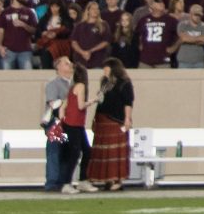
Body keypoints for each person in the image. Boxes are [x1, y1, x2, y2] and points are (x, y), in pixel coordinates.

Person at [42, 54, 89, 193]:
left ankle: (63, 181)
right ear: (58, 67)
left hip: (69, 122)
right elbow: (52, 103)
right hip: (56, 122)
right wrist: (68, 103)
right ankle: (52, 183)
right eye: (66, 63)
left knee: (67, 152)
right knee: (55, 151)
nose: (70, 65)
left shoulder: (74, 84)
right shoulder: (53, 83)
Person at [87, 58, 136, 192]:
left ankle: (117, 179)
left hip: (115, 119)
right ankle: (107, 179)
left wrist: (127, 119)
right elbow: (101, 99)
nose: (104, 71)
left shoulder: (124, 83)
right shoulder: (104, 82)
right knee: (103, 151)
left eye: (106, 68)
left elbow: (128, 102)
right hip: (102, 119)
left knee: (115, 151)